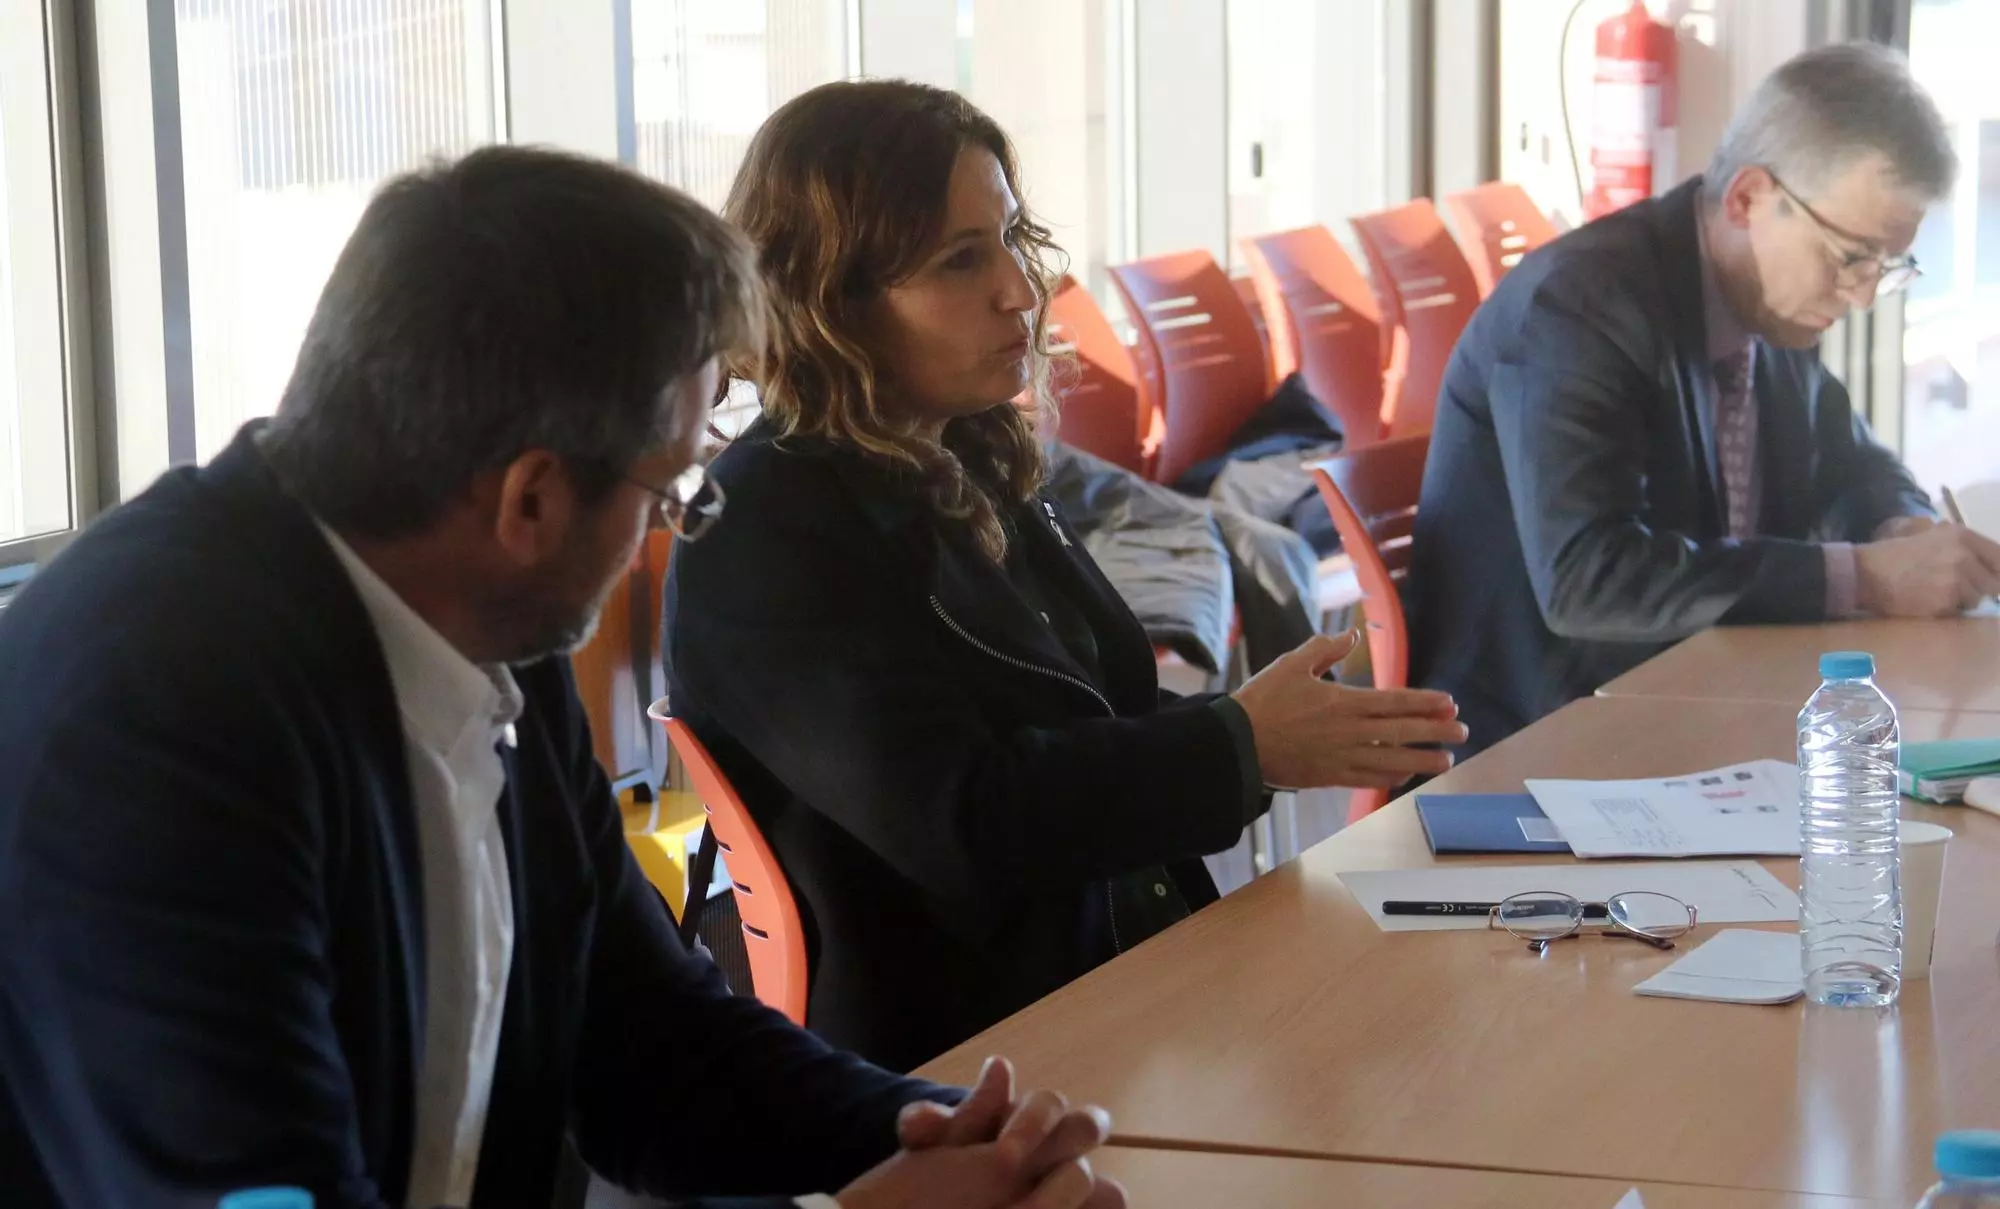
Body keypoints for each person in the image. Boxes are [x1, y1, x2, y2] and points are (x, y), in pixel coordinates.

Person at [0, 146, 1127, 1209]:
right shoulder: (153, 721)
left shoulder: (477, 617)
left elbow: (649, 1043)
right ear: (530, 500)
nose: (672, 525)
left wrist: (944, 1138)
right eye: (671, 489)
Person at [663, 80, 1467, 1074]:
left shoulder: (966, 458)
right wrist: (1240, 744)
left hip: (1122, 986)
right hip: (966, 1065)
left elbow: (1089, 725)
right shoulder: (762, 530)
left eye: (1010, 238)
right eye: (962, 260)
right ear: (833, 302)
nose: (1020, 289)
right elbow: (966, 820)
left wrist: (1263, 739)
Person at [1407, 41, 2000, 755]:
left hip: (1703, 705)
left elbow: (1851, 464)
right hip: (1540, 744)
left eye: (1887, 265)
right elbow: (1590, 579)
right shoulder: (1582, 308)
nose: (1865, 295)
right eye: (1851, 258)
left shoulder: (1768, 308)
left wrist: (1900, 528)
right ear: (1749, 199)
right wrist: (1866, 578)